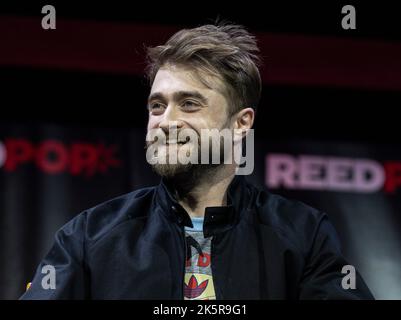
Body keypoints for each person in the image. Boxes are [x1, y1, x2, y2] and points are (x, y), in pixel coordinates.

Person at [21, 23, 373, 300]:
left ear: (241, 123)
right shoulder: (88, 237)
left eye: (189, 104)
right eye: (157, 105)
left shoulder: (303, 236)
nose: (166, 121)